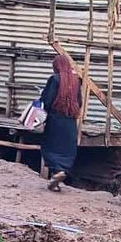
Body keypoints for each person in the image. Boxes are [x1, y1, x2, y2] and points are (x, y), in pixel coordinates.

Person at [40, 55, 82, 191]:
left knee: (50, 148)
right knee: (67, 150)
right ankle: (58, 178)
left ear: (56, 66)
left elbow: (47, 100)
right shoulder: (76, 80)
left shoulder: (55, 79)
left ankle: (57, 173)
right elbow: (79, 102)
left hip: (55, 120)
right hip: (70, 122)